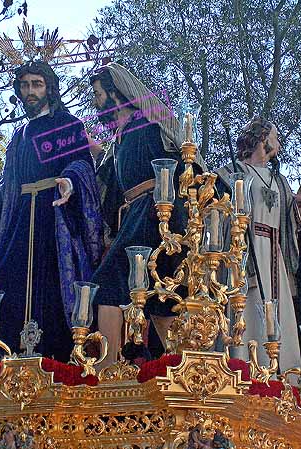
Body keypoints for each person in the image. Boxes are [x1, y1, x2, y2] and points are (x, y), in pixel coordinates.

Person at [0, 61, 103, 361]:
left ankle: (58, 362)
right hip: (21, 223)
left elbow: (83, 165)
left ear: (49, 87)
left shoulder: (68, 125)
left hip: (55, 220)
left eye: (37, 84)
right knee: (10, 286)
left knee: (54, 288)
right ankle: (7, 362)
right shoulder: (18, 137)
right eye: (25, 85)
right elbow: (11, 189)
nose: (30, 91)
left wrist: (69, 181)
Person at [88, 63, 192, 366]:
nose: (96, 102)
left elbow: (175, 160)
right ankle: (178, 365)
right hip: (134, 215)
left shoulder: (144, 126)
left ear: (115, 93)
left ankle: (105, 371)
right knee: (159, 298)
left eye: (98, 94)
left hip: (152, 213)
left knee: (107, 284)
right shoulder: (121, 137)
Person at [216, 117, 301, 373]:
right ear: (261, 138)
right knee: (248, 309)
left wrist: (299, 204)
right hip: (245, 253)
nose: (279, 142)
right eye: (275, 136)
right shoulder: (229, 172)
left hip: (275, 255)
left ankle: (282, 375)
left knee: (279, 312)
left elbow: (292, 225)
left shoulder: (280, 181)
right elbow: (216, 212)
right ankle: (245, 369)